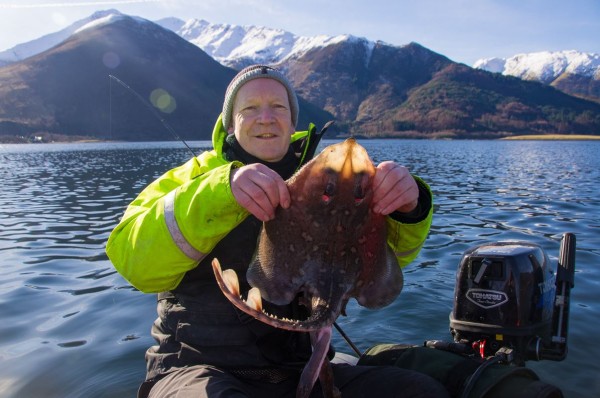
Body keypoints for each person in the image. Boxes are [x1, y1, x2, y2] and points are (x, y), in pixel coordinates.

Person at [106, 65, 448, 398]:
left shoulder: (326, 176)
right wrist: (220, 192)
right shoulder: (187, 178)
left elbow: (390, 261)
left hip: (298, 366)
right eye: (250, 108)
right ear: (230, 123)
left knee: (422, 390)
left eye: (278, 107)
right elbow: (134, 265)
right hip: (196, 369)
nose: (266, 118)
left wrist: (409, 208)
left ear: (292, 120)